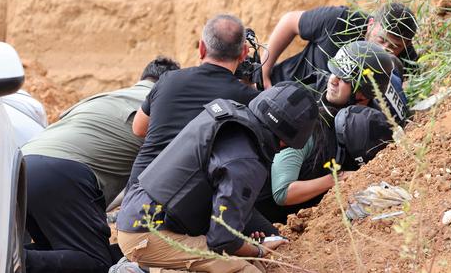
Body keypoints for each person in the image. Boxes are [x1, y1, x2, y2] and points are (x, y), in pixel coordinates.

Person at [116, 82, 318, 273]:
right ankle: (143, 268)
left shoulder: (228, 115)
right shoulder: (247, 162)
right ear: (284, 142)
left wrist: (246, 242)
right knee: (245, 269)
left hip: (136, 212)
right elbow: (223, 240)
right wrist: (258, 250)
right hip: (148, 233)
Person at [21, 56, 180, 273]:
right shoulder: (164, 104)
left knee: (56, 252)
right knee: (95, 263)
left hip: (23, 166)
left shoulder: (105, 97)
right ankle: (8, 260)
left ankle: (9, 257)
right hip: (65, 172)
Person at [256, 41, 406, 223]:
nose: (333, 80)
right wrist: (336, 178)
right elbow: (282, 192)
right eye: (335, 71)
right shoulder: (306, 119)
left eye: (344, 79)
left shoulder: (376, 116)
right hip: (260, 209)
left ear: (363, 95)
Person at [128, 14, 259, 184]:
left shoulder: (168, 79)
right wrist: (251, 85)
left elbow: (138, 128)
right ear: (244, 53)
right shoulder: (248, 99)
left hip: (138, 192)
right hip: (187, 200)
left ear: (202, 48)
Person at [261, 2, 419, 87]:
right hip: (279, 85)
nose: (384, 49)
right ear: (371, 24)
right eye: (381, 40)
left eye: (394, 47)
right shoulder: (340, 20)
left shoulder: (406, 62)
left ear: (406, 45)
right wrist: (263, 71)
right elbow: (289, 22)